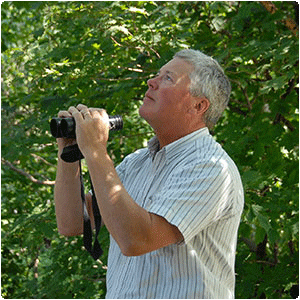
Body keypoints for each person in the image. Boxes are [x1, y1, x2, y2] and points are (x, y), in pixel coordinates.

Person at [54, 49, 244, 299]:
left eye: (167, 78)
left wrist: (96, 151)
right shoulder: (136, 163)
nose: (150, 82)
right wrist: (70, 154)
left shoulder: (210, 166)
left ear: (199, 105)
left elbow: (137, 239)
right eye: (157, 74)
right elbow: (72, 222)